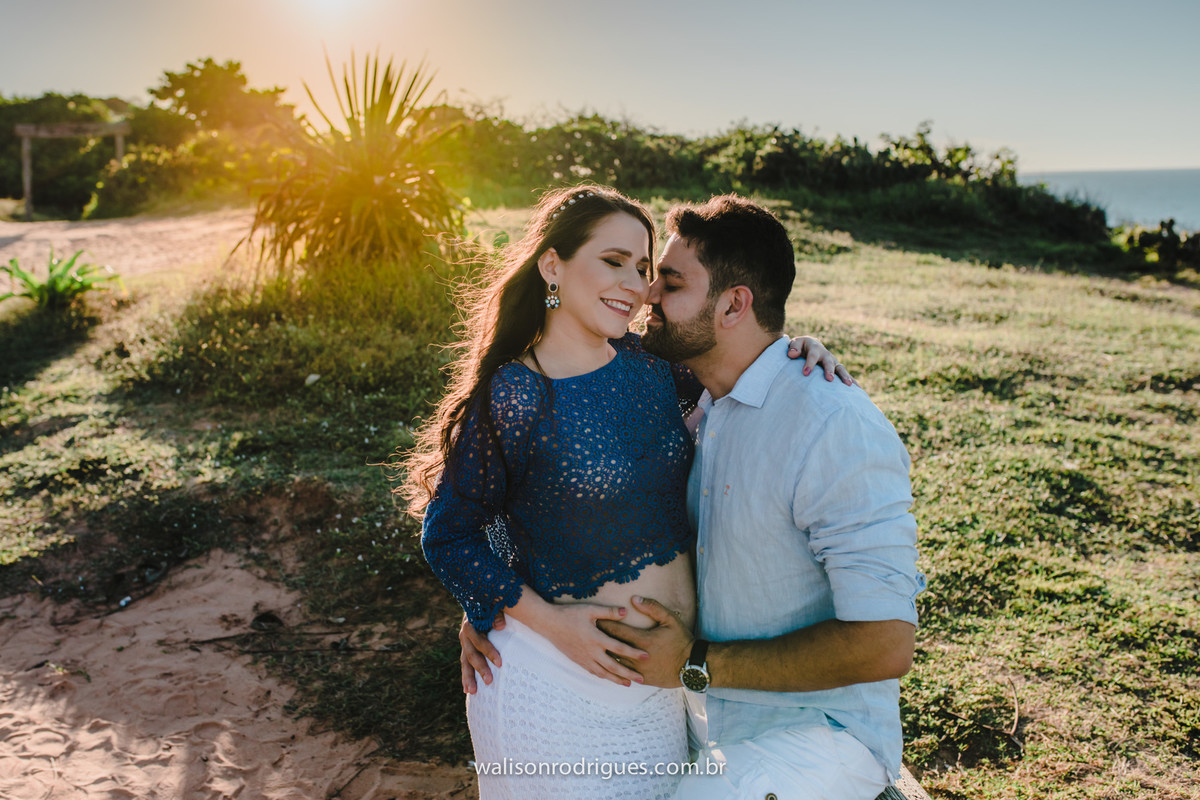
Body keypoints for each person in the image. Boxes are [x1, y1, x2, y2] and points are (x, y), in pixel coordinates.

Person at [464, 195, 924, 800]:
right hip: (684, 715)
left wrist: (694, 663)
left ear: (734, 304)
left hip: (813, 735)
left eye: (668, 282)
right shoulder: (693, 403)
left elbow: (887, 643)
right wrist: (494, 598)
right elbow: (533, 495)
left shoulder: (830, 425)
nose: (646, 294)